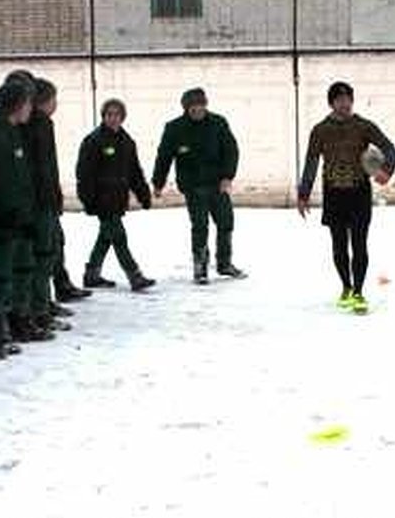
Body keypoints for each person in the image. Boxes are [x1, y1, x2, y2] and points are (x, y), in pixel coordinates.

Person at [296, 81, 395, 313]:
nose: (344, 104)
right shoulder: (320, 130)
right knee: (339, 246)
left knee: (360, 244)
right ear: (331, 103)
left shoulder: (364, 126)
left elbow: (390, 148)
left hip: (359, 191)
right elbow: (311, 162)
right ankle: (346, 287)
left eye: (347, 99)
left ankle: (359, 292)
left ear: (352, 101)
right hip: (334, 192)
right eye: (339, 99)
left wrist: (387, 171)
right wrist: (303, 194)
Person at [0, 78, 46, 354]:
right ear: (18, 105)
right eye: (29, 102)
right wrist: (8, 213)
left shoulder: (13, 131)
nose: (31, 108)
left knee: (22, 269)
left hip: (20, 217)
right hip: (3, 221)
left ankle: (18, 318)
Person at [152, 88, 244, 284]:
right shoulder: (175, 128)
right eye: (192, 107)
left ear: (205, 105)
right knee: (200, 226)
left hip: (217, 184)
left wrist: (228, 176)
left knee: (226, 222)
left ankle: (224, 263)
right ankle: (200, 267)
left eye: (200, 106)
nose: (197, 110)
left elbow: (231, 150)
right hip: (193, 186)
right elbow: (164, 157)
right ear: (186, 108)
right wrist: (158, 183)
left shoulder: (218, 123)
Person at [77, 98, 156, 291]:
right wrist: (88, 199)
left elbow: (134, 171)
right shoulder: (93, 141)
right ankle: (134, 275)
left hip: (118, 198)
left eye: (117, 115)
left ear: (122, 117)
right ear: (103, 117)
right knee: (119, 237)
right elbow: (84, 173)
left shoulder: (127, 141)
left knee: (106, 237)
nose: (113, 118)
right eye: (109, 114)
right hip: (101, 199)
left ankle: (92, 274)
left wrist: (143, 194)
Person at [22, 78, 72, 335]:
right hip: (40, 202)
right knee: (42, 256)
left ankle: (43, 303)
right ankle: (37, 308)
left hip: (46, 199)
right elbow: (41, 167)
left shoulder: (42, 124)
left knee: (51, 250)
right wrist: (49, 196)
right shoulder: (37, 125)